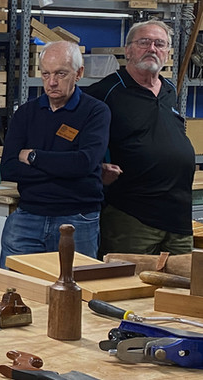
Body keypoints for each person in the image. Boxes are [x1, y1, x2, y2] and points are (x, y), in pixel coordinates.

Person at [85, 20, 195, 257]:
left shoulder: (168, 90)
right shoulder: (104, 92)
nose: (152, 49)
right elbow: (76, 140)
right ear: (128, 50)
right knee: (126, 285)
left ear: (167, 52)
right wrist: (96, 168)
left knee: (181, 290)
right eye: (144, 42)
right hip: (132, 216)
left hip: (178, 216)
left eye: (160, 44)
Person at [0, 41, 110, 267]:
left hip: (77, 221)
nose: (52, 82)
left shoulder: (95, 112)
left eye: (61, 74)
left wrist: (33, 157)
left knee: (74, 294)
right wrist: (64, 169)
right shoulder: (26, 113)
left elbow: (84, 163)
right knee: (12, 291)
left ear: (79, 73)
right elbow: (8, 167)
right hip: (27, 218)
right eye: (46, 74)